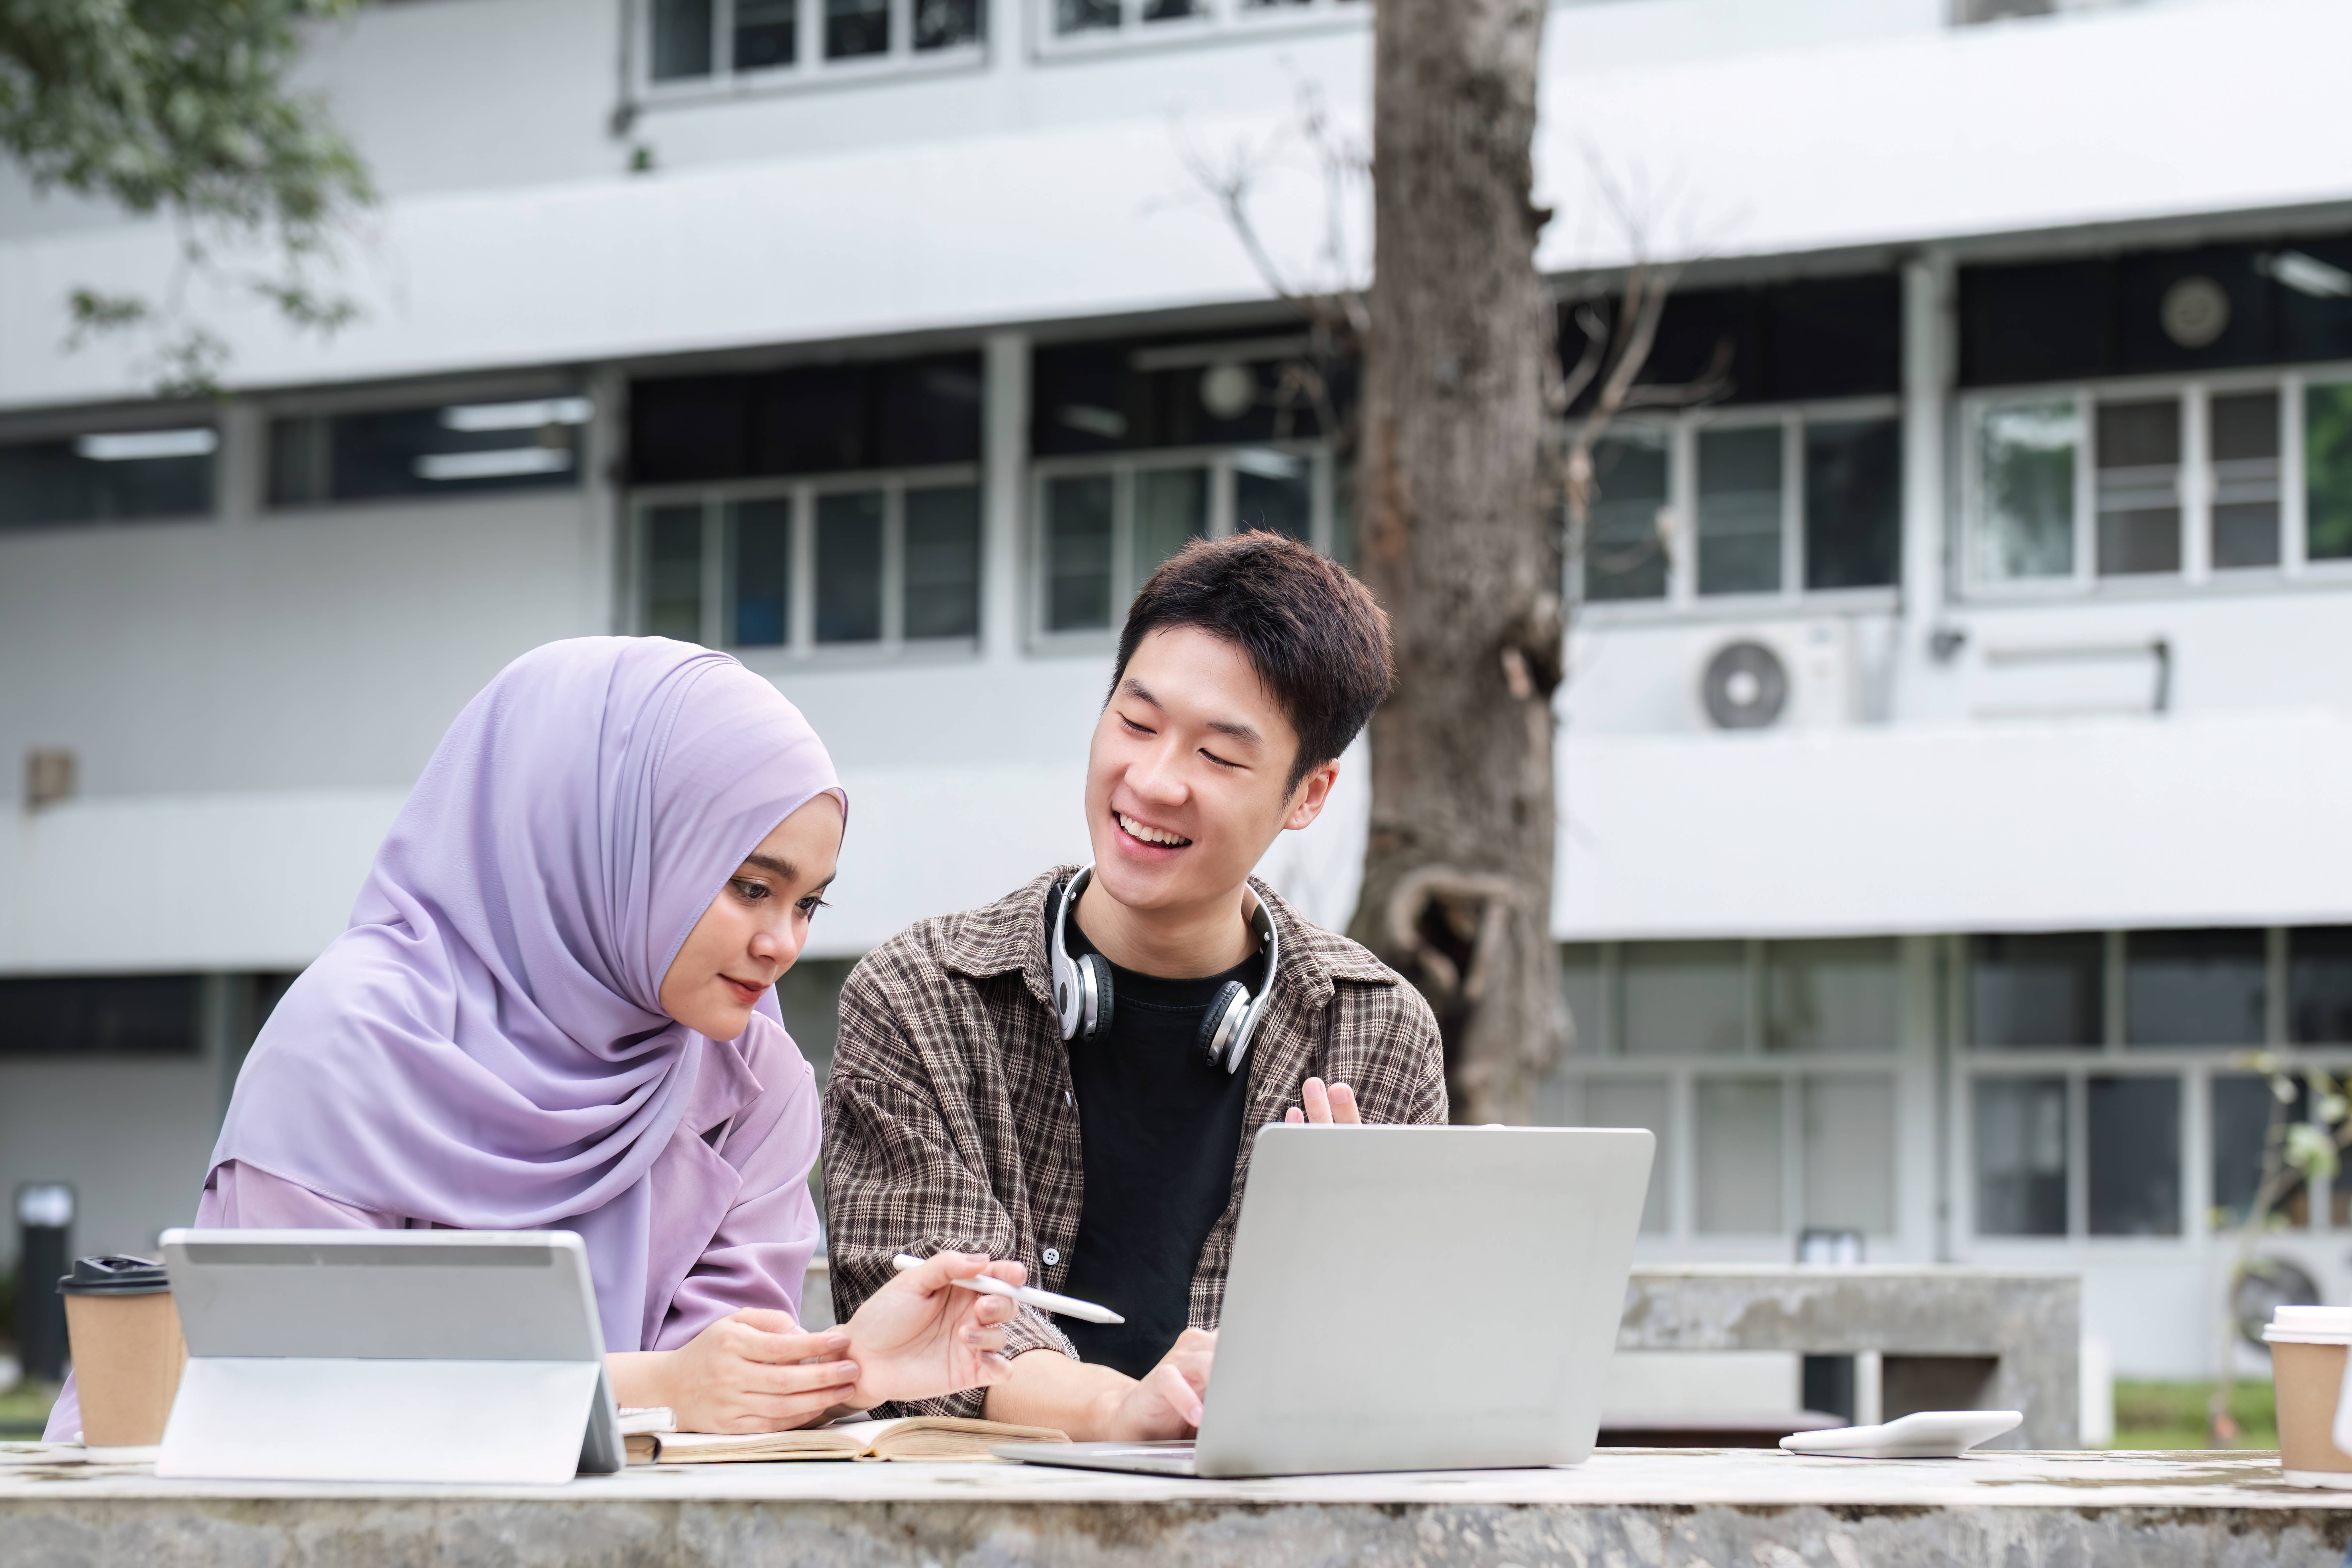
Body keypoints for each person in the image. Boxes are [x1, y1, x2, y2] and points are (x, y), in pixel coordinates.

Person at [44, 637, 1018, 1442]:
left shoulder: (751, 1083)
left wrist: (851, 1364)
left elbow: (727, 1402)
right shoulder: (354, 1040)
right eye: (750, 887)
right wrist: (663, 1386)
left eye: (810, 903)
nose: (782, 943)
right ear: (613, 841)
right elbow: (287, 1382)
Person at [823, 531, 1446, 1441]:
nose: (1152, 782)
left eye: (1220, 758)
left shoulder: (1372, 1030)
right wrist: (1121, 1410)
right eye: (1136, 723)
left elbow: (1394, 1358)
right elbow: (923, 1325)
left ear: (1308, 794)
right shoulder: (922, 993)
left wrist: (1346, 1282)